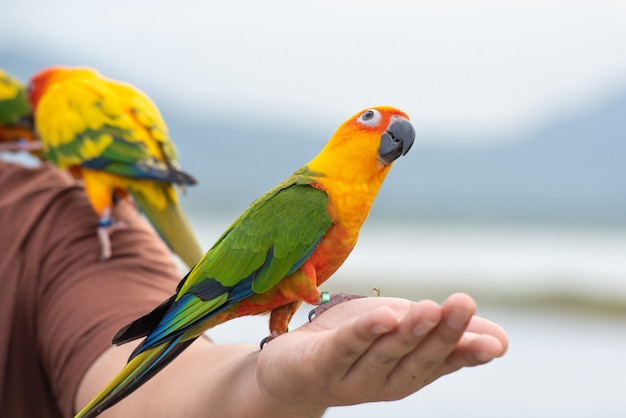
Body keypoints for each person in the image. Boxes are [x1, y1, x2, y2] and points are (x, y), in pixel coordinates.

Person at [0, 159, 508, 417]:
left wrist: (273, 387)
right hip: (220, 294)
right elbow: (289, 282)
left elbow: (170, 396)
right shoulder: (310, 199)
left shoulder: (53, 216)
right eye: (370, 121)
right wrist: (325, 300)